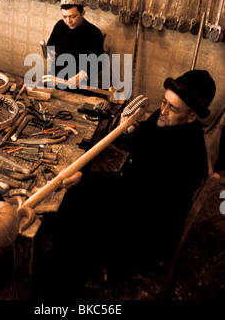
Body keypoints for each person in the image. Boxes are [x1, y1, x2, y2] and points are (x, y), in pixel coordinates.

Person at [31, 69, 216, 301]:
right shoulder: (164, 120)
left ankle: (56, 294)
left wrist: (86, 181)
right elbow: (139, 151)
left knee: (77, 243)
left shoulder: (183, 156)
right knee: (73, 199)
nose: (164, 110)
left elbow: (133, 192)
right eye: (164, 101)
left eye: (173, 108)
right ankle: (61, 236)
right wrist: (130, 130)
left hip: (147, 224)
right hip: (132, 193)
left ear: (192, 117)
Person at [42, 0, 105, 90]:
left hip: (79, 83)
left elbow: (100, 61)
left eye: (72, 16)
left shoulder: (94, 33)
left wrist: (83, 74)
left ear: (82, 13)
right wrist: (51, 53)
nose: (68, 21)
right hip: (56, 78)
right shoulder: (60, 26)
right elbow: (51, 46)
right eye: (64, 16)